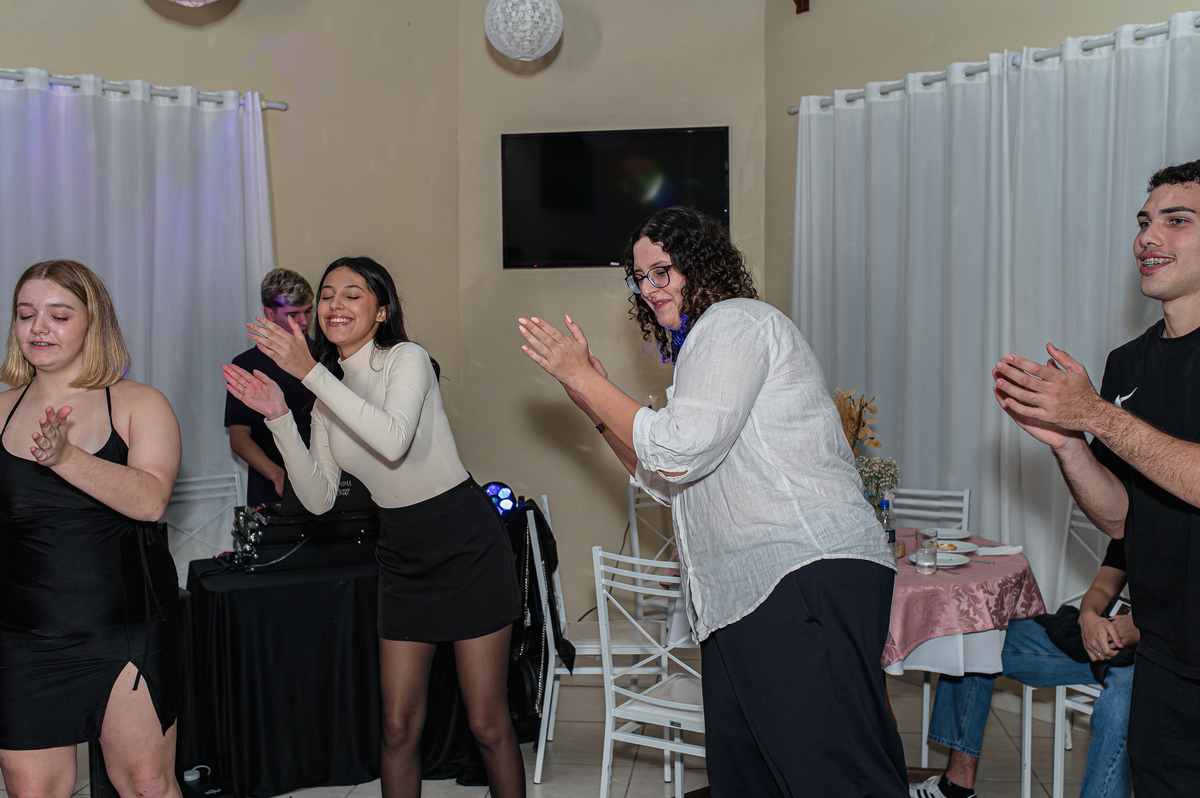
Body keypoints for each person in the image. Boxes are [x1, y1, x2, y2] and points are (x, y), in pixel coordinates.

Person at [518, 206, 908, 795]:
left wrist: (587, 378)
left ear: (700, 265)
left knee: (836, 780)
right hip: (741, 598)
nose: (650, 288)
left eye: (662, 271)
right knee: (749, 780)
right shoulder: (705, 351)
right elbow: (666, 477)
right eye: (640, 278)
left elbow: (677, 450)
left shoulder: (734, 322)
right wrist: (594, 407)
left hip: (799, 572)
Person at [222, 256, 524, 798]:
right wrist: (280, 417)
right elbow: (317, 500)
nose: (335, 304)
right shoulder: (326, 394)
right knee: (397, 727)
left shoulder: (405, 359)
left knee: (487, 724)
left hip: (466, 544)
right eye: (327, 294)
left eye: (352, 294)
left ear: (381, 310)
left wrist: (309, 374)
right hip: (402, 556)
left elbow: (392, 440)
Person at [992, 158, 1200, 796]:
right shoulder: (1127, 363)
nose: (1147, 237)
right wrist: (1069, 443)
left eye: (1177, 220)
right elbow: (1119, 519)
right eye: (1143, 221)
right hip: (1165, 657)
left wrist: (1095, 415)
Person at [0, 260, 182, 798]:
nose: (39, 328)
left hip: (124, 633)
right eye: (26, 314)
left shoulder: (139, 403)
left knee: (146, 785)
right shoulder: (2, 410)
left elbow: (150, 501)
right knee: (31, 790)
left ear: (93, 323)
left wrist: (65, 457)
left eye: (58, 315)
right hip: (23, 638)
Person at [910, 538, 1136, 798]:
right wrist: (1089, 618)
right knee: (976, 643)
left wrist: (1139, 629)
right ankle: (956, 787)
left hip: (1158, 655)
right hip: (1107, 637)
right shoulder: (1132, 525)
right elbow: (1102, 588)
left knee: (1117, 709)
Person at [225, 268, 315, 506]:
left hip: (325, 484)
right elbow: (239, 438)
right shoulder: (246, 365)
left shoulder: (325, 357)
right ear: (269, 314)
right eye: (293, 314)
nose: (304, 321)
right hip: (270, 490)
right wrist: (276, 475)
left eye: (308, 311)